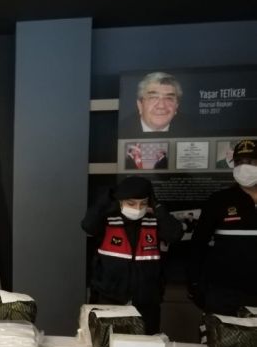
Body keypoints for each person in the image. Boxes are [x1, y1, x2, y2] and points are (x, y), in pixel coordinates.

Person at [82, 176, 182, 334]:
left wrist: (158, 208)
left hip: (147, 300)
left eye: (143, 203)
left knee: (146, 345)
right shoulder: (108, 219)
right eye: (131, 203)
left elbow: (175, 234)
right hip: (110, 297)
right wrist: (108, 198)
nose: (137, 208)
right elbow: (88, 225)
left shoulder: (154, 220)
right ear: (120, 201)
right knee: (106, 343)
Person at [189, 139, 257, 316]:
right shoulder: (219, 200)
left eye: (250, 161)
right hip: (223, 293)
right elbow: (198, 244)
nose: (244, 167)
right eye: (239, 162)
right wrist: (194, 282)